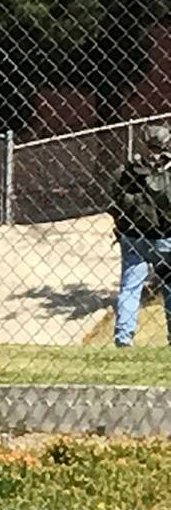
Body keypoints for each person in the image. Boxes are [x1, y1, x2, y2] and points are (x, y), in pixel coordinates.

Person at [108, 124, 171, 348]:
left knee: (130, 287)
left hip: (134, 237)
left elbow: (115, 201)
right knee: (170, 286)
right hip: (165, 238)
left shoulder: (128, 170)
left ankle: (123, 338)